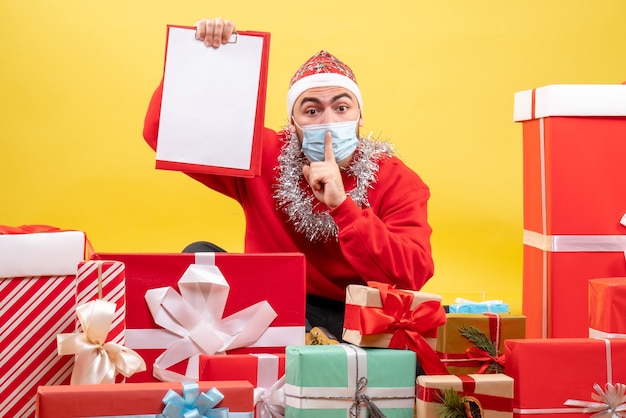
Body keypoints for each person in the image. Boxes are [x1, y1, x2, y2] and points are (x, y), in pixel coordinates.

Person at [142, 17, 434, 342]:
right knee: (200, 255)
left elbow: (412, 275)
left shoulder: (396, 180)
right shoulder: (264, 155)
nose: (327, 121)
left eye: (341, 107)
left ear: (360, 115)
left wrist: (342, 205)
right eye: (311, 111)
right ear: (292, 122)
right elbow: (162, 133)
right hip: (269, 303)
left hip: (351, 318)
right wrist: (199, 57)